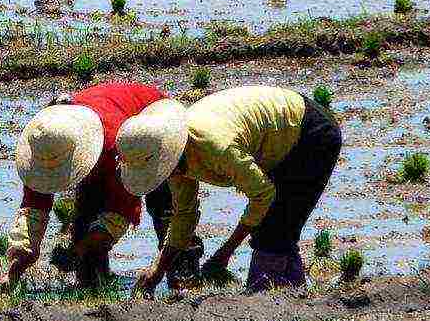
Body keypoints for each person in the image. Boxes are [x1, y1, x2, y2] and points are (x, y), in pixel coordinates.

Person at [115, 85, 342, 294]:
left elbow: (263, 194)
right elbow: (184, 215)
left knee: (271, 232)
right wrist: (158, 269)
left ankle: (264, 301)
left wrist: (226, 252)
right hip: (276, 144)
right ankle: (295, 297)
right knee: (279, 230)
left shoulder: (216, 147)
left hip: (311, 133)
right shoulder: (174, 162)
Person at [0, 83, 203, 292]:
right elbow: (33, 209)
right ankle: (96, 285)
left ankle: (184, 280)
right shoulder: (44, 146)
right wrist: (15, 267)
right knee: (87, 222)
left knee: (166, 208)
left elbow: (120, 212)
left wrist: (78, 250)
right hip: (108, 138)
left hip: (153, 127)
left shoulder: (113, 146)